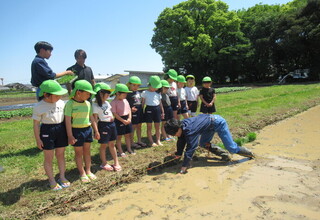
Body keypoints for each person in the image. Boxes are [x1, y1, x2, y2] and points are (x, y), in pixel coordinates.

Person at [164, 114, 255, 174]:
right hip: (208, 126)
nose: (175, 136)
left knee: (231, 148)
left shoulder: (190, 130)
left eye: (175, 133)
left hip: (218, 122)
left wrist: (184, 167)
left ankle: (251, 154)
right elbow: (181, 139)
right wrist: (179, 154)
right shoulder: (181, 126)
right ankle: (225, 155)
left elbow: (191, 148)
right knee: (203, 143)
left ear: (179, 128)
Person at [32, 80, 70, 190]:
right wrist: (38, 139)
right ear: (46, 94)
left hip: (61, 129)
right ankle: (51, 180)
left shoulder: (62, 103)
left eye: (60, 95)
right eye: (56, 95)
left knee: (60, 154)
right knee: (49, 157)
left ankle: (62, 176)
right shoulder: (39, 106)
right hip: (47, 131)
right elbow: (36, 124)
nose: (59, 97)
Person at [64, 80, 98, 183]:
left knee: (87, 152)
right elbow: (68, 121)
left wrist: (96, 130)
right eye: (87, 93)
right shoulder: (70, 104)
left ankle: (88, 170)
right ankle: (82, 172)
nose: (89, 96)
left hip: (87, 130)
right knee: (79, 153)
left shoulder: (88, 103)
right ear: (78, 92)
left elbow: (91, 118)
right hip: (76, 131)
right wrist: (70, 135)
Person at [92, 83, 122, 172]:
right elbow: (95, 119)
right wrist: (96, 131)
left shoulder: (107, 103)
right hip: (103, 125)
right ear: (101, 93)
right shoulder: (95, 105)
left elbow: (109, 112)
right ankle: (104, 163)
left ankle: (116, 162)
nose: (109, 95)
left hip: (111, 125)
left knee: (112, 144)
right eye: (107, 93)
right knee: (103, 145)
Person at [110, 83, 134, 157]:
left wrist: (129, 118)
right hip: (119, 120)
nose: (125, 95)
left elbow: (129, 109)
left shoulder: (125, 100)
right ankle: (120, 151)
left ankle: (129, 149)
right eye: (124, 94)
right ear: (117, 93)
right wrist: (123, 121)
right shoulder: (113, 102)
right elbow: (115, 114)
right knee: (119, 136)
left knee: (127, 135)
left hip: (127, 118)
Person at [141, 76, 164, 147]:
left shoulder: (158, 93)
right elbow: (143, 103)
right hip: (149, 110)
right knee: (149, 126)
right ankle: (151, 141)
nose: (155, 88)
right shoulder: (145, 92)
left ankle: (158, 140)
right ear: (150, 85)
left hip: (157, 109)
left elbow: (160, 103)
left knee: (157, 126)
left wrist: (162, 112)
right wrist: (141, 111)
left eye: (156, 87)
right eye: (154, 86)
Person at [126, 76, 147, 149]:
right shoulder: (128, 93)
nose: (135, 87)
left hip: (139, 110)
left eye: (137, 85)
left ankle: (139, 140)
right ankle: (131, 142)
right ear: (129, 84)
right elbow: (125, 104)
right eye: (134, 85)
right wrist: (130, 109)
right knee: (133, 127)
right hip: (133, 111)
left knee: (139, 126)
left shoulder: (138, 92)